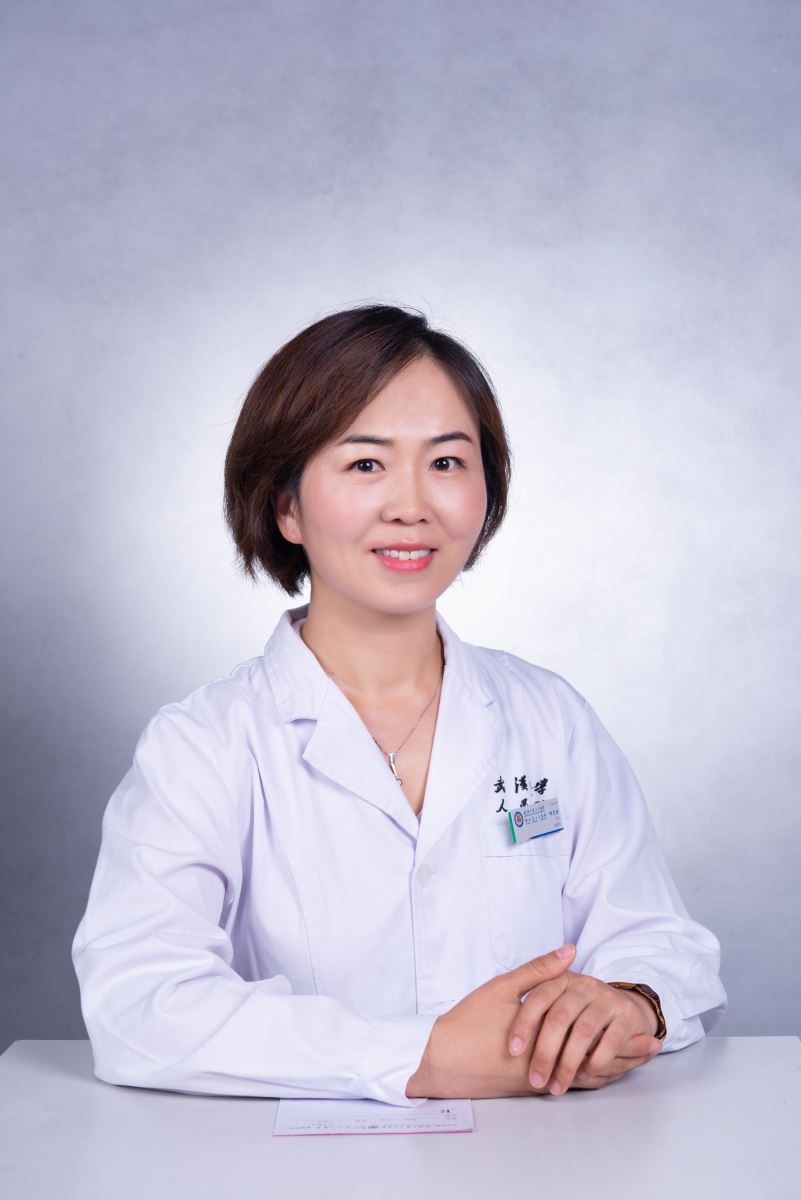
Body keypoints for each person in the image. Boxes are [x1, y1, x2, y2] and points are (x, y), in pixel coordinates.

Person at [71, 303, 727, 1106]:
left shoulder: (548, 718)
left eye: (446, 462)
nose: (411, 505)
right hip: (277, 1163)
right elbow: (140, 1005)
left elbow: (659, 940)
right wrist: (420, 1056)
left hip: (538, 1155)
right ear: (285, 507)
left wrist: (630, 1000)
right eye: (365, 464)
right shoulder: (206, 743)